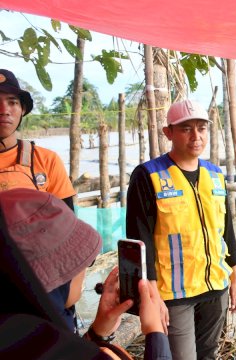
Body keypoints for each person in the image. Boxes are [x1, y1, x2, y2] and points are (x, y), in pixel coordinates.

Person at [126, 99, 236, 360]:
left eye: (201, 128)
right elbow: (139, 241)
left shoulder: (215, 175)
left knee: (209, 354)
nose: (195, 136)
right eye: (185, 129)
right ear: (168, 132)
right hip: (173, 293)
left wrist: (234, 277)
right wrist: (152, 295)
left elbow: (226, 231)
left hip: (215, 286)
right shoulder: (148, 176)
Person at [0, 187, 171, 359]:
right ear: (57, 279)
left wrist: (98, 333)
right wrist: (156, 334)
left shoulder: (27, 338)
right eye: (81, 261)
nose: (84, 269)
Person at [0, 69, 75, 209]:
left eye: (12, 102)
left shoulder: (47, 161)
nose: (4, 110)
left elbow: (67, 224)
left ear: (22, 109)